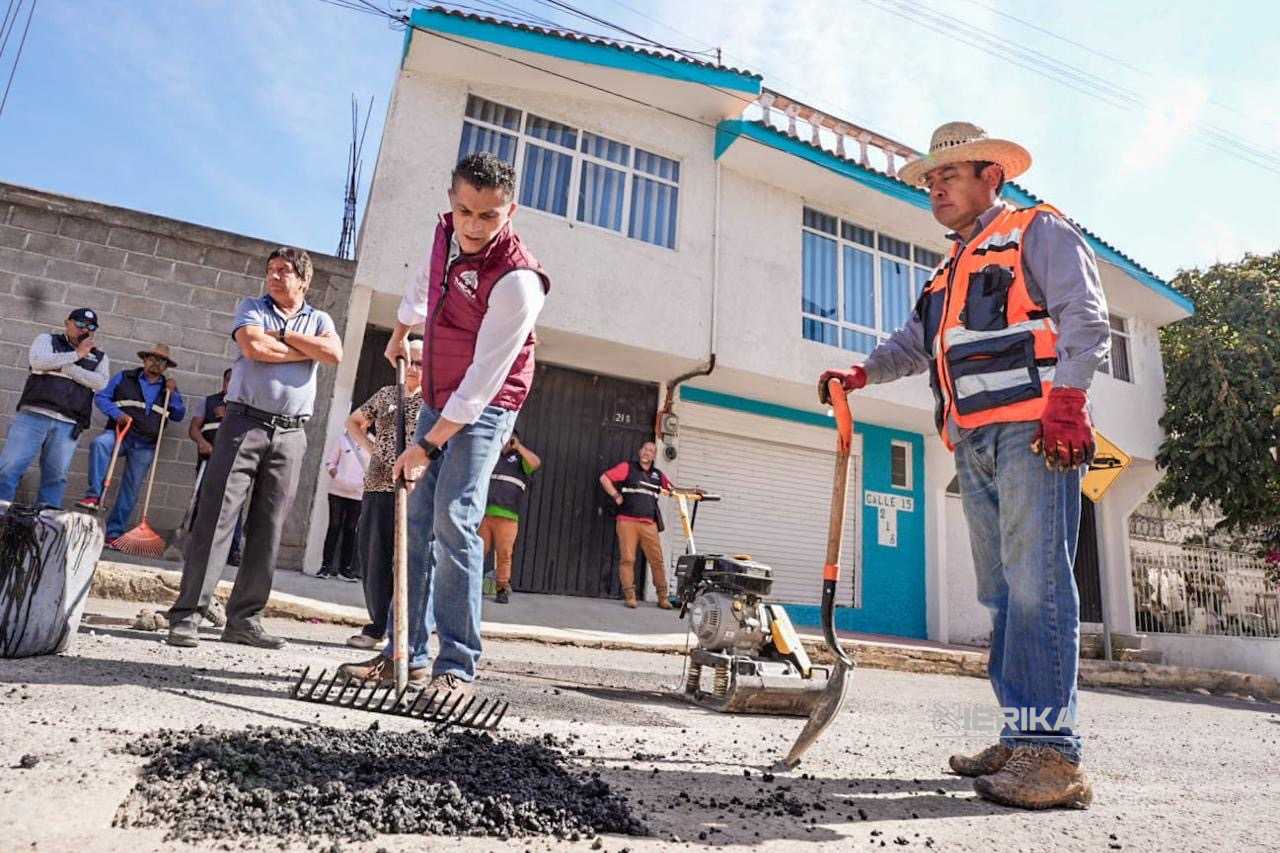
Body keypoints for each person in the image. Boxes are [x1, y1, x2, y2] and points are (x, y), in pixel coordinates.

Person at [820, 122, 1108, 810]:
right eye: (930, 180)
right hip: (972, 439)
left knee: (1039, 585)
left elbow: (1085, 317)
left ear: (992, 178)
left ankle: (1056, 756)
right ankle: (1022, 734)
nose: (935, 188)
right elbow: (914, 344)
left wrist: (1068, 397)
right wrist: (861, 372)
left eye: (948, 175)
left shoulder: (1038, 231)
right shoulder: (946, 272)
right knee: (1004, 595)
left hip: (1035, 429)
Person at [338, 152, 550, 694]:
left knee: (453, 520)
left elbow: (482, 382)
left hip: (488, 403)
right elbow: (423, 287)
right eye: (464, 211)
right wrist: (399, 329)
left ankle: (455, 664)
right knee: (414, 521)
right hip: (435, 390)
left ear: (512, 211)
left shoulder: (517, 281)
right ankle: (402, 652)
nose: (474, 226)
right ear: (452, 202)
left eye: (489, 216)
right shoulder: (444, 237)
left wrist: (426, 446)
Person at [166, 247, 342, 649]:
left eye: (284, 271)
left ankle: (244, 619)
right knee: (217, 518)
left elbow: (333, 353)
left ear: (304, 279)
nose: (275, 277)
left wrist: (284, 335)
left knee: (269, 527)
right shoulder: (252, 307)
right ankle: (188, 614)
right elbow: (254, 349)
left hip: (292, 434)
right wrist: (304, 348)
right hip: (244, 424)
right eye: (271, 270)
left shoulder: (321, 318)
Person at [343, 339, 424, 649]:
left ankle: (403, 631)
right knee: (375, 556)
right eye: (411, 361)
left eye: (420, 362)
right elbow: (355, 422)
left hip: (415, 491)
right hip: (378, 484)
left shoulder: (433, 401)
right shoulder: (388, 394)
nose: (415, 368)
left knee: (407, 561)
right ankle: (377, 626)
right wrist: (374, 449)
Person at [0, 308, 109, 509]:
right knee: (9, 467)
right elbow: (38, 361)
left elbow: (100, 383)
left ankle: (45, 526)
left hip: (69, 424)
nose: (85, 330)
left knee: (56, 477)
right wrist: (78, 354)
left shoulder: (100, 357)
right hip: (34, 415)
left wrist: (66, 367)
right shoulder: (46, 340)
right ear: (67, 323)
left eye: (91, 327)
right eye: (80, 325)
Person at [79, 344, 186, 544]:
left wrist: (174, 394)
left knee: (131, 490)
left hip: (145, 444)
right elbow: (101, 397)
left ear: (166, 367)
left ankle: (113, 533)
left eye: (161, 361)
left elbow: (179, 415)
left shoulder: (168, 388)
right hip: (121, 433)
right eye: (152, 359)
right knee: (100, 444)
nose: (156, 364)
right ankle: (94, 495)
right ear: (144, 360)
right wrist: (117, 414)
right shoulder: (124, 377)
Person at [599, 440, 674, 609]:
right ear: (640, 452)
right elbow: (604, 478)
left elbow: (672, 491)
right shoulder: (628, 467)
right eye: (646, 449)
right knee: (628, 559)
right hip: (627, 521)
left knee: (657, 560)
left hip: (649, 524)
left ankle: (663, 597)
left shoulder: (658, 475)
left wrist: (693, 492)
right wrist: (616, 496)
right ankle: (630, 597)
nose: (648, 452)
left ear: (654, 456)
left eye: (652, 450)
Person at [187, 368, 242, 565]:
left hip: (235, 461)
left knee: (234, 505)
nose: (232, 384)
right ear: (224, 381)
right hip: (208, 459)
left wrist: (225, 416)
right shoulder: (209, 402)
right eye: (229, 380)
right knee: (202, 501)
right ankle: (196, 546)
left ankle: (232, 550)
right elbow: (194, 428)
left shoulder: (245, 406)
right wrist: (202, 442)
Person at [480, 429, 541, 604]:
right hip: (483, 514)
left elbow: (536, 463)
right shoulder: (491, 456)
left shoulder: (520, 459)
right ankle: (471, 585)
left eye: (509, 439)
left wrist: (519, 447)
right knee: (477, 552)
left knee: (504, 554)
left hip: (508, 516)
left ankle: (501, 589)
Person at [318, 430, 369, 580]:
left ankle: (345, 569)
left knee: (351, 528)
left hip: (358, 492)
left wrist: (363, 483)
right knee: (334, 526)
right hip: (337, 490)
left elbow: (373, 467)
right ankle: (325, 567)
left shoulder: (372, 441)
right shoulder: (342, 439)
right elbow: (330, 463)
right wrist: (338, 477)